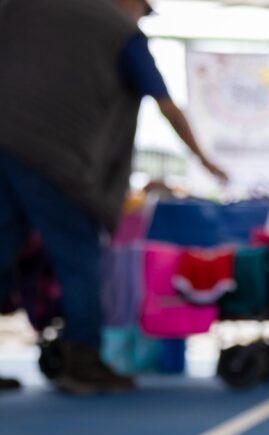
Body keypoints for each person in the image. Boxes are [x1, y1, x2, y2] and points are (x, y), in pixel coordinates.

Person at [0, 0, 228, 394]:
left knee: (2, 247)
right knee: (79, 256)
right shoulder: (122, 34)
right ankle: (83, 360)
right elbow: (167, 106)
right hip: (57, 157)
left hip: (5, 142)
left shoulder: (31, 9)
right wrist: (205, 160)